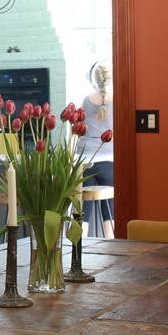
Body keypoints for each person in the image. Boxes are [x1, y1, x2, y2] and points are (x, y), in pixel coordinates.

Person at [77, 61, 114, 237]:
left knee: (84, 211)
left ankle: (78, 250)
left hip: (86, 162)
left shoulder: (86, 100)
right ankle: (112, 245)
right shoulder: (117, 98)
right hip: (109, 160)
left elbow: (78, 128)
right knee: (111, 209)